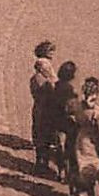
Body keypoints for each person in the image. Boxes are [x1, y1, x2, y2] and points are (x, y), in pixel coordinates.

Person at [31, 42, 60, 177]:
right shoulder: (45, 81)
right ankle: (42, 165)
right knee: (45, 137)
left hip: (39, 109)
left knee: (41, 137)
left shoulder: (35, 78)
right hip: (46, 110)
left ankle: (41, 163)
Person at [52, 61, 81, 187]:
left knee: (60, 146)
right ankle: (69, 174)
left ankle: (61, 172)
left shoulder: (57, 85)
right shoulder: (69, 89)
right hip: (67, 122)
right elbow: (72, 106)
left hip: (57, 120)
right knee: (70, 148)